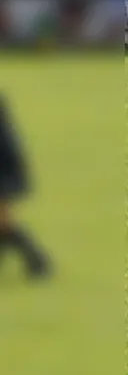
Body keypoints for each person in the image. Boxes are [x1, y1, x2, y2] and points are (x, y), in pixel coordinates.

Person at [0, 93, 50, 279]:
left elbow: (9, 155)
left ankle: (39, 262)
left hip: (5, 174)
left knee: (3, 224)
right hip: (8, 172)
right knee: (3, 225)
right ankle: (38, 262)